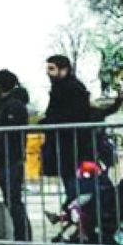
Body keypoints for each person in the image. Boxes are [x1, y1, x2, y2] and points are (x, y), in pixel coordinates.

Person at [0, 69, 35, 245]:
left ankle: (25, 243)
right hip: (6, 159)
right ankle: (19, 241)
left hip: (11, 158)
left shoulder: (14, 106)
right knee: (11, 201)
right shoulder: (7, 104)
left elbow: (9, 135)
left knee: (15, 201)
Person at [39, 54, 92, 201]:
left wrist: (48, 122)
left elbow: (72, 114)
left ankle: (76, 210)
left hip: (71, 144)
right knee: (70, 180)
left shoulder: (72, 89)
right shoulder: (61, 88)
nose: (48, 73)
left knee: (73, 183)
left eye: (52, 68)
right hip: (65, 144)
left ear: (64, 70)